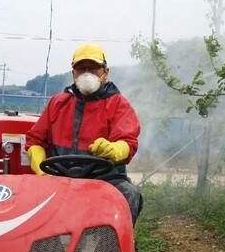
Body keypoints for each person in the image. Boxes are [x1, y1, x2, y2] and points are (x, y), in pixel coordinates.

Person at [25, 43, 143, 225]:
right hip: (60, 179)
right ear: (73, 73)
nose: (87, 73)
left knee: (130, 195)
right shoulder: (58, 103)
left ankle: (110, 249)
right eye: (81, 68)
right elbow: (35, 141)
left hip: (105, 180)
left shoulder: (118, 104)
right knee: (24, 198)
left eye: (93, 68)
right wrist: (41, 168)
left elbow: (129, 142)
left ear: (105, 71)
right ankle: (42, 249)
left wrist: (114, 149)